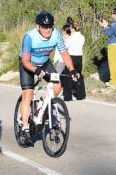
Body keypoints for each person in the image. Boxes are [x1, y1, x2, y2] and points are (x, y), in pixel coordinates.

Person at [18, 11, 78, 146]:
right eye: (44, 27)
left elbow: (64, 53)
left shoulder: (56, 34)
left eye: (50, 26)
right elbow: (26, 61)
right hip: (28, 64)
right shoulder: (29, 37)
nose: (48, 30)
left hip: (45, 62)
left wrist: (72, 69)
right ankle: (25, 128)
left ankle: (42, 107)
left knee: (57, 86)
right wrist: (36, 69)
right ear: (37, 26)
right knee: (28, 94)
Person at [98, 7, 116, 86]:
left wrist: (104, 26)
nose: (111, 15)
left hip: (113, 46)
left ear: (115, 14)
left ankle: (113, 81)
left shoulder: (114, 24)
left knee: (113, 64)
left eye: (112, 13)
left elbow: (109, 33)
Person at [62, 19, 86, 101]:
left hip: (71, 57)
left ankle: (68, 96)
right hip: (79, 57)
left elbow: (65, 47)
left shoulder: (71, 37)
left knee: (68, 75)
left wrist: (66, 38)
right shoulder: (82, 37)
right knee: (78, 75)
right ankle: (81, 95)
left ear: (72, 28)